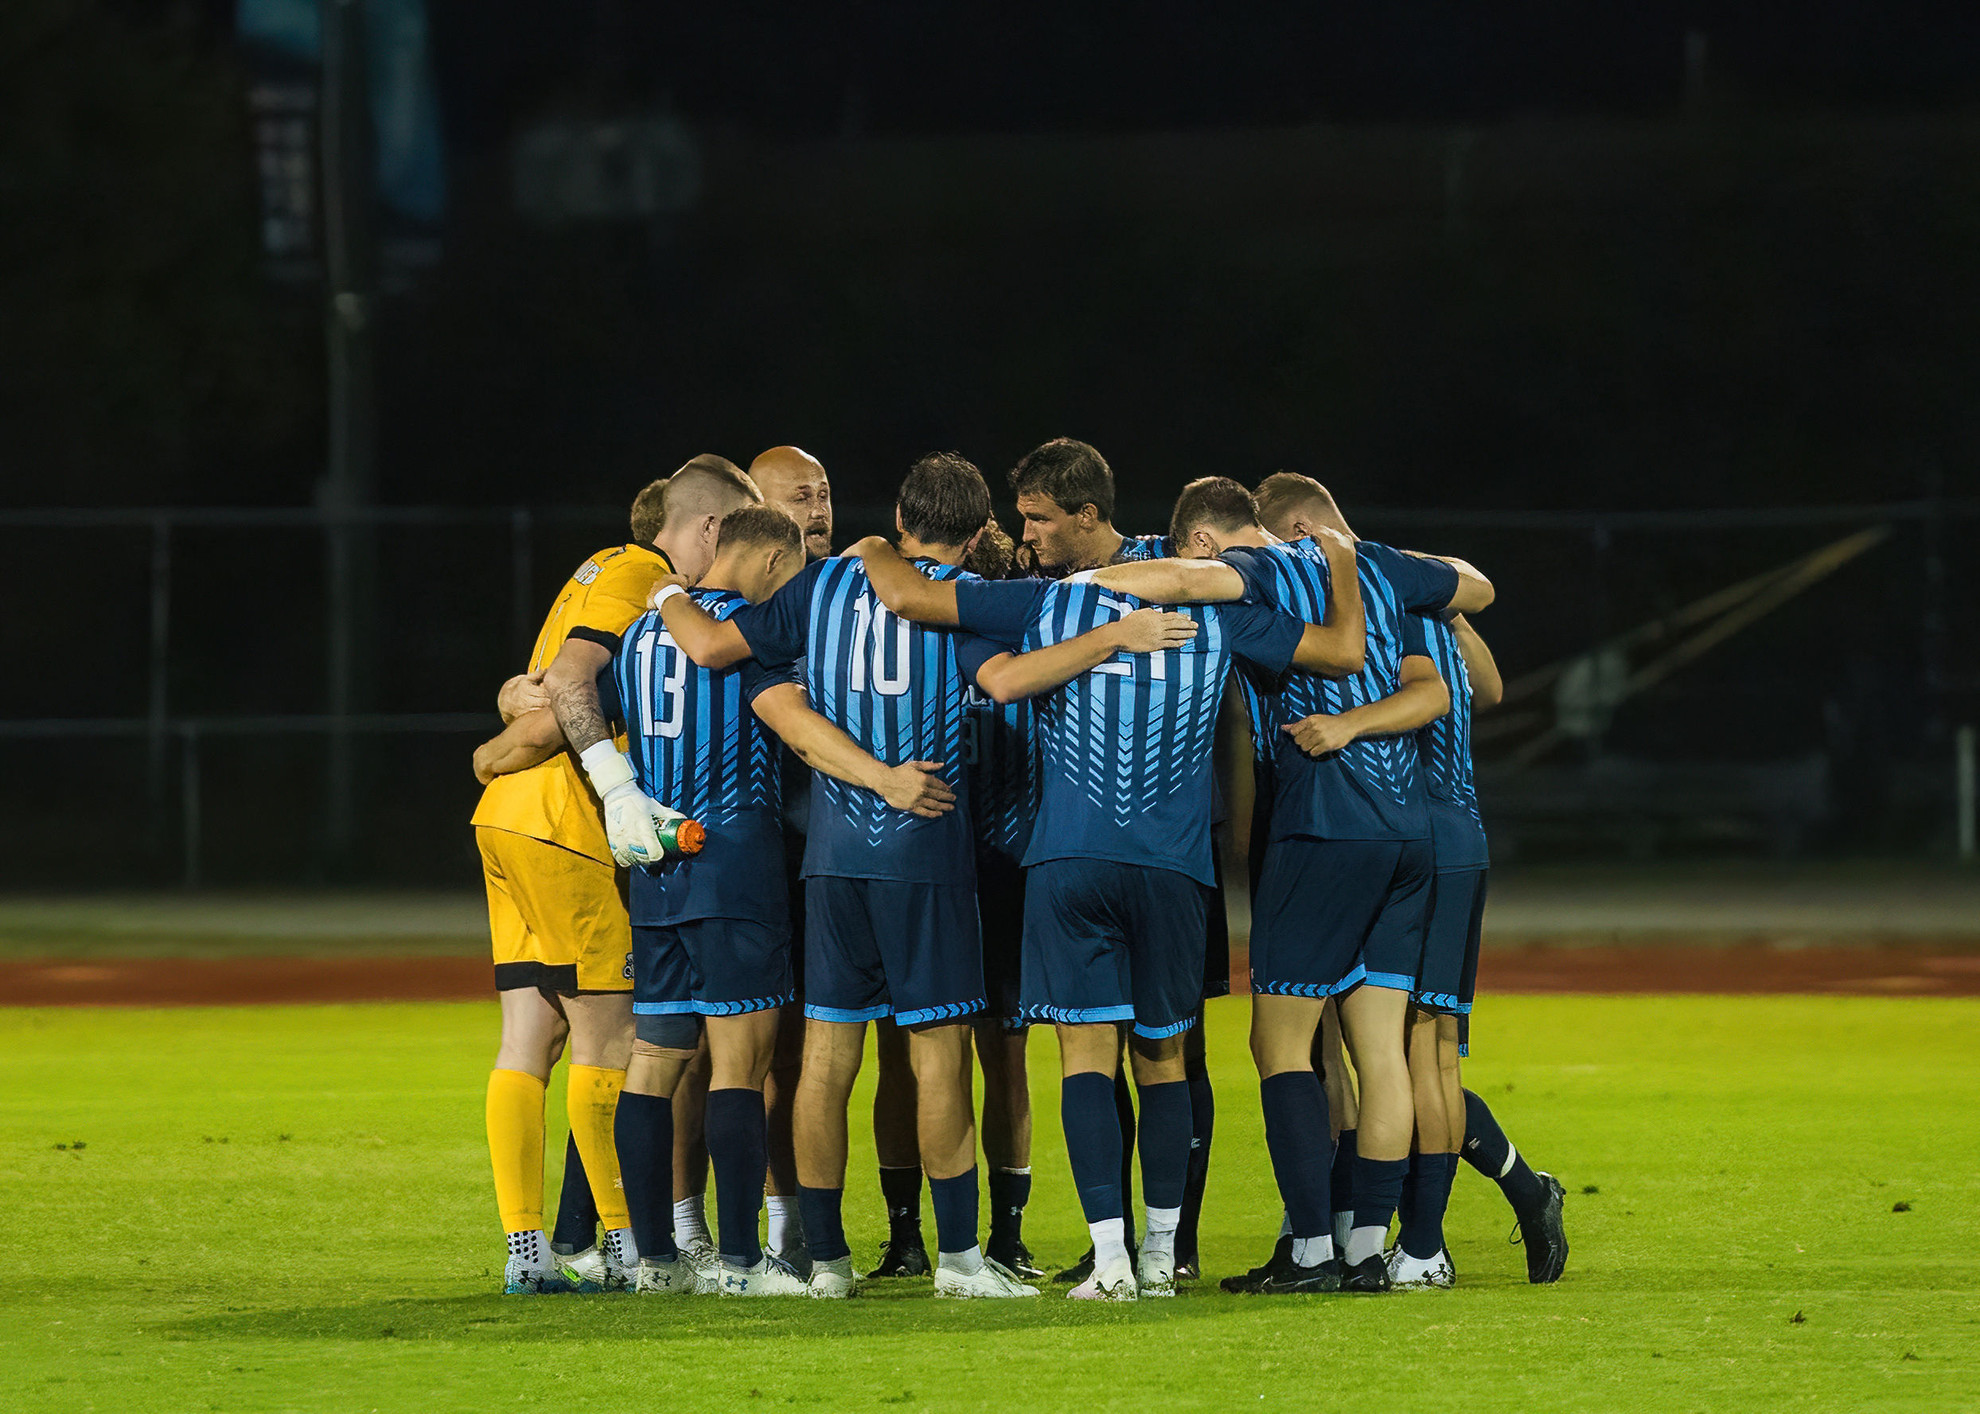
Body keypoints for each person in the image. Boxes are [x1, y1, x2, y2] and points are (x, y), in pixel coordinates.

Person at [650, 452, 1194, 1298]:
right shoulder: (958, 605)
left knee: (827, 1059)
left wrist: (663, 592)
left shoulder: (822, 585)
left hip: (833, 861)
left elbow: (728, 656)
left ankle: (827, 1261)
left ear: (899, 519)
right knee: (941, 1060)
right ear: (977, 537)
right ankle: (961, 1261)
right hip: (927, 854)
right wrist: (1112, 639)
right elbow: (1008, 682)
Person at [859, 490, 1361, 1301]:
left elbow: (915, 599)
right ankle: (1162, 1257)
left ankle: (1112, 1262)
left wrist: (873, 548)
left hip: (1071, 860)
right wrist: (1340, 558)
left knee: (1085, 1058)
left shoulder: (1046, 600)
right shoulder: (1221, 616)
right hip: (1173, 869)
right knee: (1164, 1060)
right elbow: (1341, 652)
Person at [604, 505, 960, 1295]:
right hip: (734, 864)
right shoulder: (751, 636)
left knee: (654, 1060)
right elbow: (793, 728)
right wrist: (882, 777)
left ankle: (655, 1262)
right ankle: (740, 1263)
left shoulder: (637, 635)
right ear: (771, 560)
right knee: (742, 1064)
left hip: (657, 872)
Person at [465, 455, 754, 1295]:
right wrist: (615, 789)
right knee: (611, 1039)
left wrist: (497, 740)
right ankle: (627, 1245)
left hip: (508, 821)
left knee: (530, 1039)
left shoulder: (598, 567)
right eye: (732, 534)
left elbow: (534, 690)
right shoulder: (639, 573)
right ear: (707, 526)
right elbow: (565, 687)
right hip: (565, 827)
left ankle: (527, 1250)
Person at [1399, 609, 1570, 1286]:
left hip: (1420, 846)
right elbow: (1491, 687)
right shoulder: (1424, 602)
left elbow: (1479, 691)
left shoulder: (1377, 605)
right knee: (1403, 1059)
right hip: (1426, 842)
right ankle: (1520, 1192)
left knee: (1414, 1058)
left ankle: (1421, 1246)